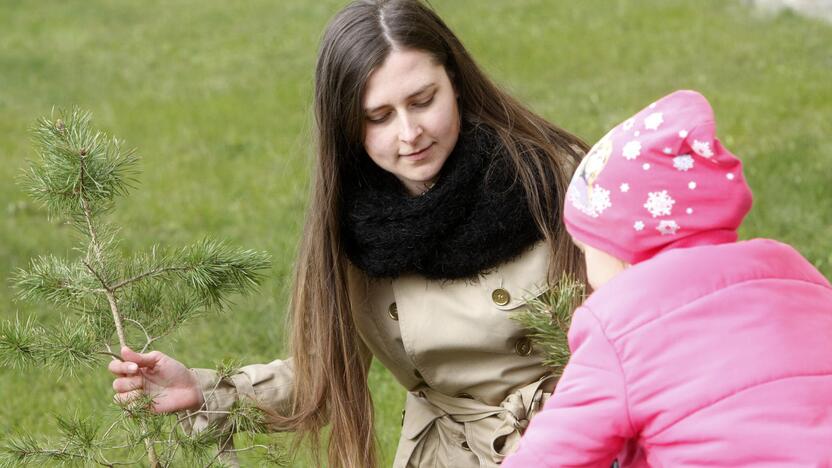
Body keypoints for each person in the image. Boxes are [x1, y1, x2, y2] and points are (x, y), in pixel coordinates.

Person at [108, 1, 588, 467]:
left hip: (575, 441)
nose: (409, 132)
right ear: (345, 125)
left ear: (456, 83)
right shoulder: (357, 223)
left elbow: (637, 331)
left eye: (423, 101)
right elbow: (327, 375)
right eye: (378, 117)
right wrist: (200, 388)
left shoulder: (551, 178)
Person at [502, 89, 832, 467]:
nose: (586, 271)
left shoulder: (617, 322)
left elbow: (550, 457)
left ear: (623, 250)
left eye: (585, 248)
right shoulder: (794, 273)